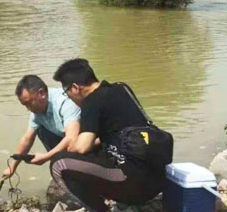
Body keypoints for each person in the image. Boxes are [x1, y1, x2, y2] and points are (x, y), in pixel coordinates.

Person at [49, 58, 165, 211]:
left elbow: (82, 148)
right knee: (98, 150)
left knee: (58, 163)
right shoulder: (122, 88)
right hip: (157, 179)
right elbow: (119, 132)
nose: (68, 98)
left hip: (135, 185)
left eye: (66, 92)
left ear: (75, 87)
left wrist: (69, 147)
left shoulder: (91, 101)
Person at [2, 74, 80, 179]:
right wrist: (12, 167)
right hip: (64, 140)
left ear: (41, 93)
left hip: (84, 142)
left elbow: (72, 138)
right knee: (39, 129)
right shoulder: (37, 111)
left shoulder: (65, 102)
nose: (28, 109)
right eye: (24, 105)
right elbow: (27, 138)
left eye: (28, 103)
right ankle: (61, 166)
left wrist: (45, 157)